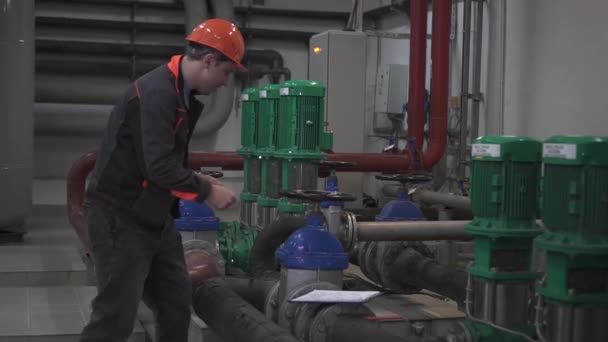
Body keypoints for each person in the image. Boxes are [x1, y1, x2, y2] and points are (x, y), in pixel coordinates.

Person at [79, 18, 244, 342]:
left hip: (155, 217)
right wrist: (207, 191)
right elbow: (158, 168)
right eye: (227, 72)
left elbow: (159, 160)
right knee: (114, 319)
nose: (226, 82)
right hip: (119, 218)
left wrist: (195, 178)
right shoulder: (156, 93)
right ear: (209, 61)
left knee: (175, 306)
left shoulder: (178, 93)